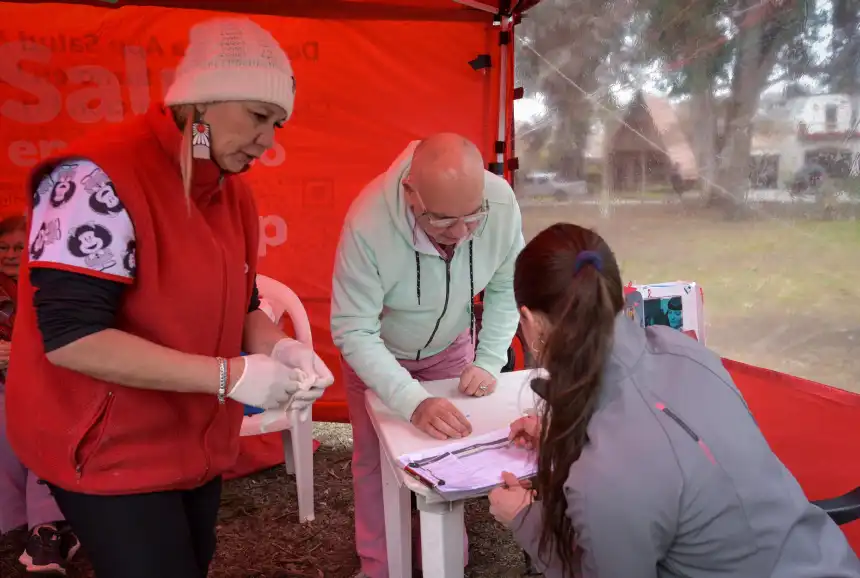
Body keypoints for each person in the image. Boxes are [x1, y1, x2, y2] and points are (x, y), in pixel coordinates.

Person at [5, 18, 333, 578]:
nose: (268, 140)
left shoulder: (234, 196)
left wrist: (281, 349)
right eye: (257, 116)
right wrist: (228, 377)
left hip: (194, 442)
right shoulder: (92, 179)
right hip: (108, 446)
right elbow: (73, 338)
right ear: (198, 102)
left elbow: (245, 303)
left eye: (277, 123)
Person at [487, 222, 860, 577]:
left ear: (530, 322)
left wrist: (525, 518)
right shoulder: (681, 349)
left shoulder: (606, 478)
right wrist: (564, 438)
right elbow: (663, 441)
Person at [331, 134, 524, 577]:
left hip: (451, 344)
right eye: (442, 221)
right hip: (380, 350)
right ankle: (380, 565)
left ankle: (444, 558)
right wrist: (410, 399)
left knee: (452, 455)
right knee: (375, 463)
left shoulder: (502, 204)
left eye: (472, 217)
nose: (460, 234)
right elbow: (353, 328)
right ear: (410, 195)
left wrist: (489, 359)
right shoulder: (367, 222)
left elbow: (505, 287)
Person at [0, 216, 82, 575]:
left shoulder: (53, 288)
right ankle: (17, 523)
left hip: (53, 380)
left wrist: (19, 352)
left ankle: (45, 528)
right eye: (2, 247)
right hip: (5, 380)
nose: (9, 254)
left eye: (19, 247)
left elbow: (73, 344)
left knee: (40, 416)